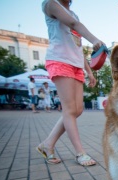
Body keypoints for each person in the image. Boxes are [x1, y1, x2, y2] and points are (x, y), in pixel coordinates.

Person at [36, 0, 104, 166]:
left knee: (77, 110)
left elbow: (78, 47)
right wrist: (94, 39)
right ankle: (80, 153)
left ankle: (47, 144)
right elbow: (74, 24)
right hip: (60, 61)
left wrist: (88, 71)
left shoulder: (74, 14)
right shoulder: (50, 4)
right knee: (69, 110)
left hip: (76, 64)